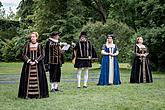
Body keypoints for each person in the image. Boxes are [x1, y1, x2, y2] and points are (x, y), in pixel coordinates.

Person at [18, 32, 49, 99]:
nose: (32, 38)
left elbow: (42, 55)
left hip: (38, 65)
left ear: (36, 37)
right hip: (28, 66)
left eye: (34, 36)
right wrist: (29, 61)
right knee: (27, 79)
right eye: (31, 37)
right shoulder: (27, 45)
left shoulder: (40, 45)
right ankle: (27, 95)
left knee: (39, 78)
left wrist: (35, 61)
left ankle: (38, 95)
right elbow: (24, 54)